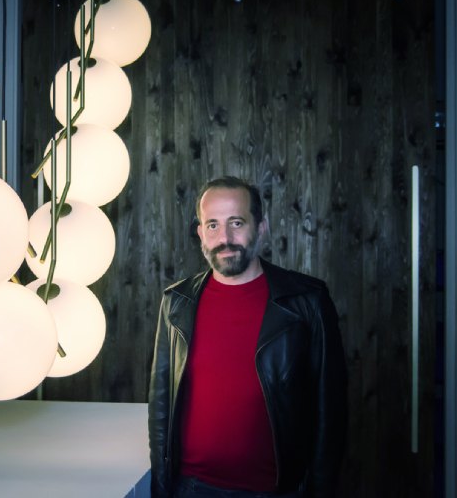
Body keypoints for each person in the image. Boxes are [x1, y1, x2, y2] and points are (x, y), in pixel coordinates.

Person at [148, 176, 347, 498]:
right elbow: (160, 406)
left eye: (236, 222)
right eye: (212, 225)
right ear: (200, 233)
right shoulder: (177, 302)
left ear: (261, 227)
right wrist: (161, 487)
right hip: (191, 488)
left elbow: (331, 412)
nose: (224, 237)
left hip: (275, 491)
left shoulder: (307, 301)